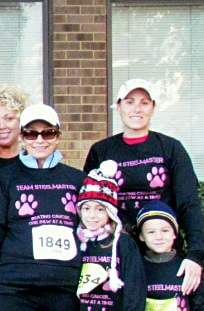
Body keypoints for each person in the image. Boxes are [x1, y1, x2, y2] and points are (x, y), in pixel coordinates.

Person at [84, 78, 203, 296]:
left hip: (161, 250)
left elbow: (189, 205)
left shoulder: (170, 148)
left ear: (153, 107)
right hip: (115, 250)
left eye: (144, 102)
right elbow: (88, 205)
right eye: (129, 102)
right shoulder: (101, 151)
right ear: (118, 107)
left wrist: (196, 255)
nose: (137, 109)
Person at [0, 104, 86, 311]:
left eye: (48, 133)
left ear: (58, 136)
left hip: (64, 287)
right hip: (15, 288)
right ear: (22, 136)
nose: (39, 140)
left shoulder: (77, 179)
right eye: (31, 133)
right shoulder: (4, 179)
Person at [75, 160, 145, 310]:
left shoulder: (123, 243)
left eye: (100, 209)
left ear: (111, 212)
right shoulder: (76, 241)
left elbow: (134, 287)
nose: (92, 215)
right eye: (86, 208)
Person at [137, 201, 204, 310]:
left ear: (175, 233)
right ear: (141, 236)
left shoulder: (187, 268)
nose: (159, 237)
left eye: (165, 231)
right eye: (151, 232)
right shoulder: (135, 267)